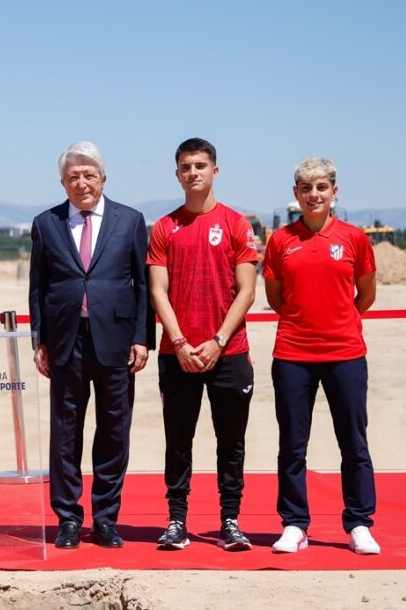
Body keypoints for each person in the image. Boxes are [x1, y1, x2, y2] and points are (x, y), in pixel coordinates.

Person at [29, 141, 153, 549]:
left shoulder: (130, 220)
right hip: (65, 342)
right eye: (73, 177)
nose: (81, 182)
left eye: (89, 175)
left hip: (116, 342)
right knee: (65, 433)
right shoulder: (46, 223)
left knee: (114, 430)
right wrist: (40, 339)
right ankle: (67, 517)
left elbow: (141, 284)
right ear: (62, 182)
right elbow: (39, 287)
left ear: (102, 178)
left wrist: (141, 337)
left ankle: (105, 518)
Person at [263, 156, 381, 555]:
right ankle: (295, 524)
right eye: (306, 188)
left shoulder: (354, 238)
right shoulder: (280, 241)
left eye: (321, 187)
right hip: (293, 354)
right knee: (292, 445)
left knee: (354, 443)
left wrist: (337, 320)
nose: (314, 195)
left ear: (334, 191)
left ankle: (359, 523)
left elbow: (365, 294)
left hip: (345, 353)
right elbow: (276, 298)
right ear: (295, 194)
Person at [147, 138, 258, 551]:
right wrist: (178, 341)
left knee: (231, 443)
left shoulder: (236, 225)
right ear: (177, 175)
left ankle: (230, 520)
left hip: (228, 353)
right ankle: (177, 521)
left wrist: (217, 340)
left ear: (215, 170)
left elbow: (246, 291)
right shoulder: (163, 227)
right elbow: (159, 291)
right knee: (178, 441)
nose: (193, 173)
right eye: (185, 167)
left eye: (200, 165)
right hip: (177, 356)